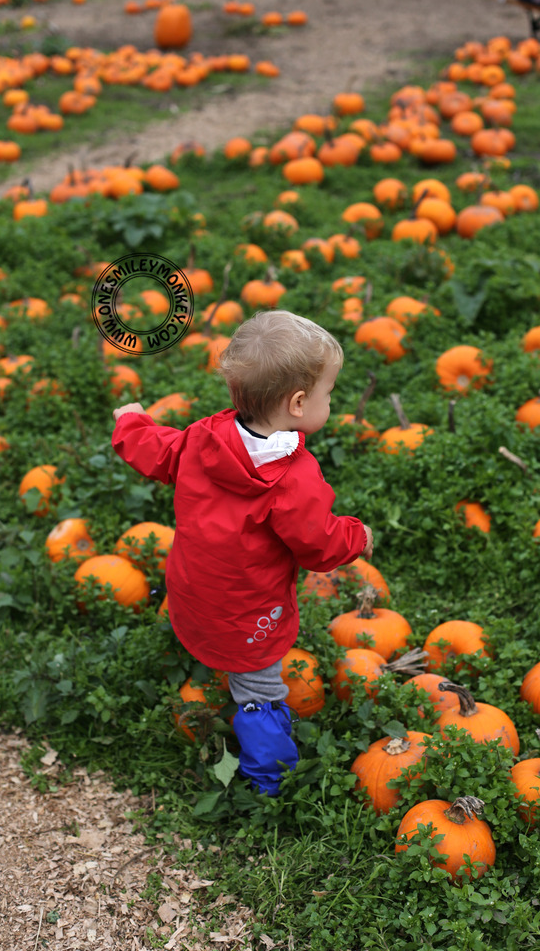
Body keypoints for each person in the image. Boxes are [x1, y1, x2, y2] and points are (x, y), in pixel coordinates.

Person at [111, 309, 374, 797]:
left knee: (214, 640)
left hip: (190, 591)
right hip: (247, 610)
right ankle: (270, 783)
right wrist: (357, 537)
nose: (331, 402)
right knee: (260, 691)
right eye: (328, 394)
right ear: (298, 403)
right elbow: (317, 544)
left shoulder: (203, 437)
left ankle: (212, 666)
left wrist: (131, 423)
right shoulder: (292, 477)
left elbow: (159, 450)